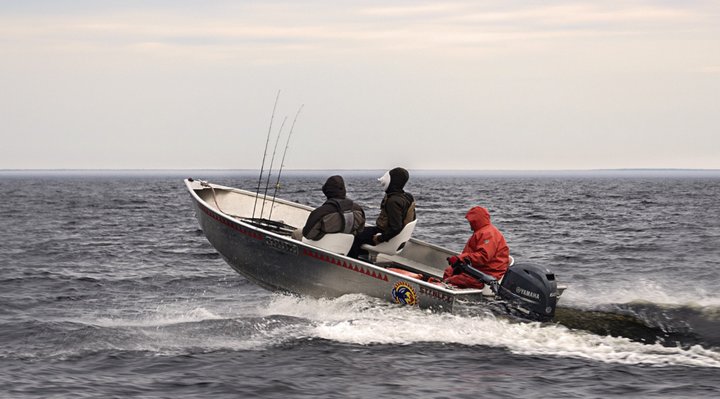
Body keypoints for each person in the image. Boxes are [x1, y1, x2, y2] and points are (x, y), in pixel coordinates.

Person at [348, 167, 416, 258]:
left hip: (384, 234)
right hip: (396, 237)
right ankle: (364, 257)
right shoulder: (407, 197)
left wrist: (380, 238)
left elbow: (396, 227)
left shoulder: (393, 201)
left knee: (354, 235)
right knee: (362, 231)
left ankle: (352, 261)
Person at [443, 206, 509, 289]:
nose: (469, 223)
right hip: (477, 269)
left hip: (488, 273)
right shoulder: (481, 231)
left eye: (471, 221)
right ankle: (445, 287)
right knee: (449, 271)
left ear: (476, 220)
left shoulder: (488, 233)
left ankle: (445, 289)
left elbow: (483, 256)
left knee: (455, 280)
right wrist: (459, 261)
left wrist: (461, 258)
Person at [292, 175, 365, 241]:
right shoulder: (358, 209)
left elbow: (308, 235)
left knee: (296, 233)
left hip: (322, 247)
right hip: (345, 246)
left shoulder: (320, 213)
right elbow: (360, 230)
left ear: (326, 192)